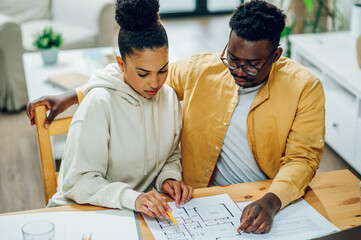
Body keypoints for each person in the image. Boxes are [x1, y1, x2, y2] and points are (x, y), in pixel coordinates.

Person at [27, 0, 325, 234]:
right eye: (232, 58)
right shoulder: (201, 70)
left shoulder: (305, 88)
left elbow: (303, 159)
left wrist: (272, 201)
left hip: (260, 199)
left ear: (276, 56)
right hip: (191, 202)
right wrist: (74, 95)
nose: (237, 71)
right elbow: (133, 73)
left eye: (251, 65)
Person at [45, 0, 194, 220]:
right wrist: (131, 198)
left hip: (135, 215)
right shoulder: (99, 103)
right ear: (121, 65)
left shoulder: (170, 98)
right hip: (80, 213)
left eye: (163, 70)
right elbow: (77, 182)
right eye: (143, 74)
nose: (155, 82)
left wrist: (168, 178)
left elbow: (170, 153)